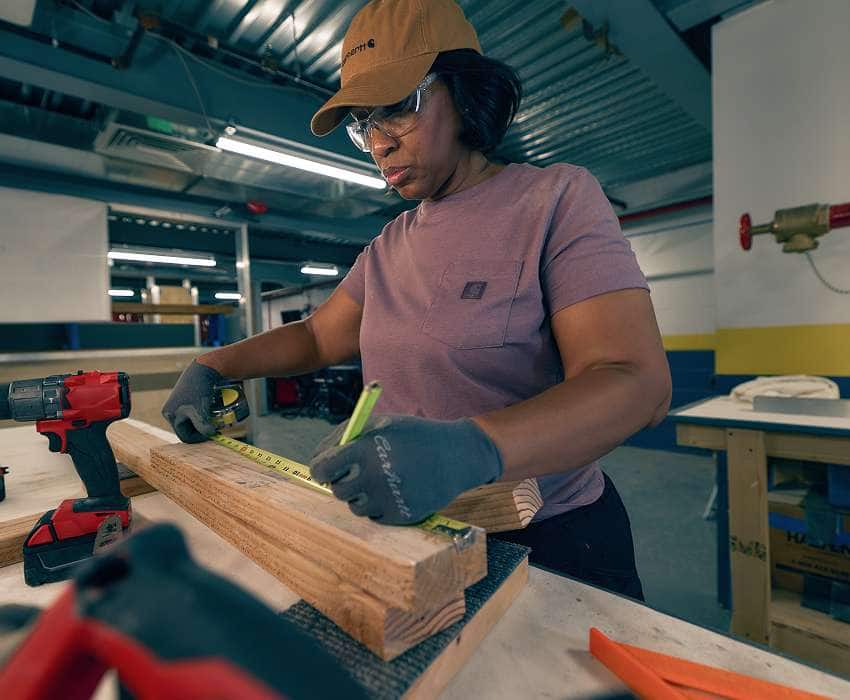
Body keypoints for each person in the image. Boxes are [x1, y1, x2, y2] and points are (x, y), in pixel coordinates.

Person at [162, 0, 671, 601]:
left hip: (549, 539)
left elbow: (637, 384)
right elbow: (317, 336)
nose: (378, 144)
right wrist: (218, 364)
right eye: (363, 125)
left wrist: (473, 450)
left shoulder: (555, 200)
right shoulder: (389, 245)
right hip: (415, 537)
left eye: (399, 108)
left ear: (464, 92)